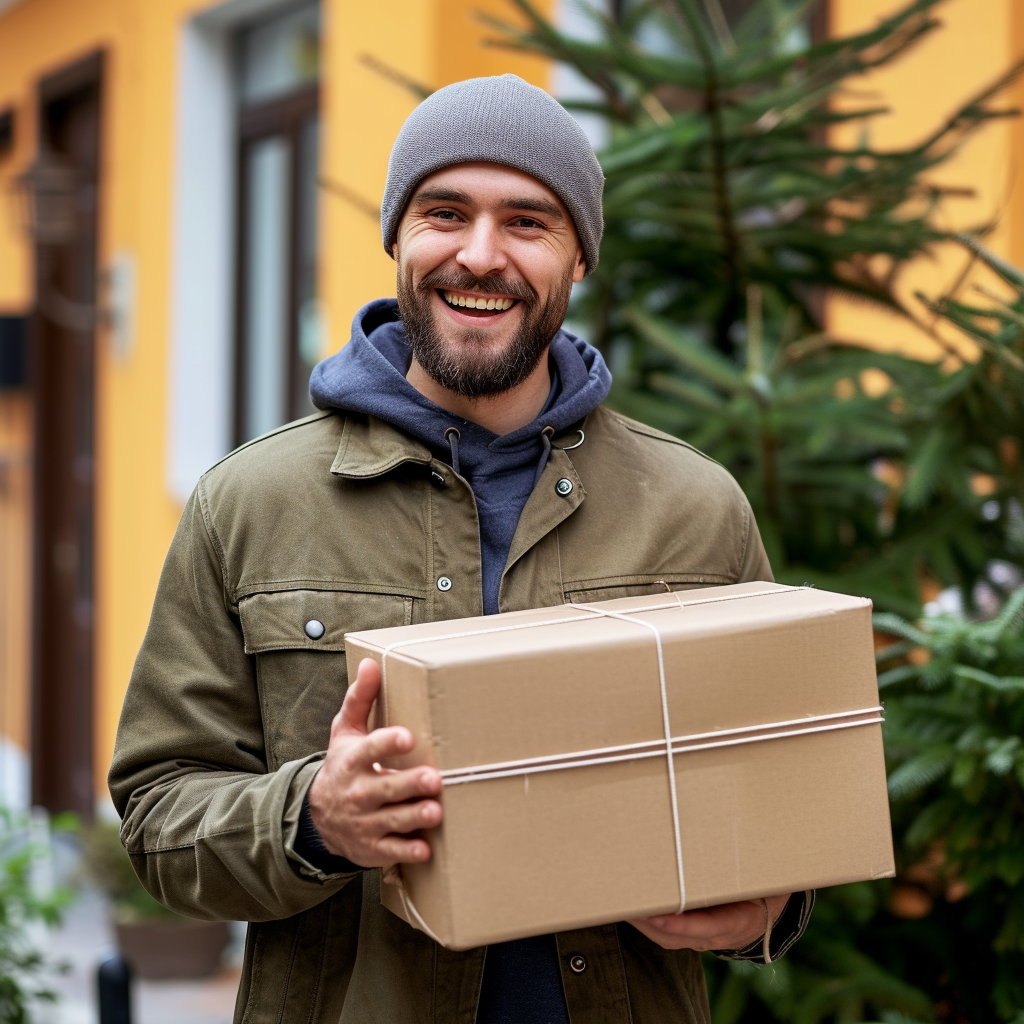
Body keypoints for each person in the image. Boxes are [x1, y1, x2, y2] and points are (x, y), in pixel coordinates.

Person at [110, 74, 812, 1024]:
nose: (481, 256)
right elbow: (160, 816)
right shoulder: (250, 503)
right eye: (447, 212)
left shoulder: (696, 506)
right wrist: (313, 820)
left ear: (578, 260)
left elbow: (779, 786)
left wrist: (763, 906)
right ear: (399, 236)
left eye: (529, 222)